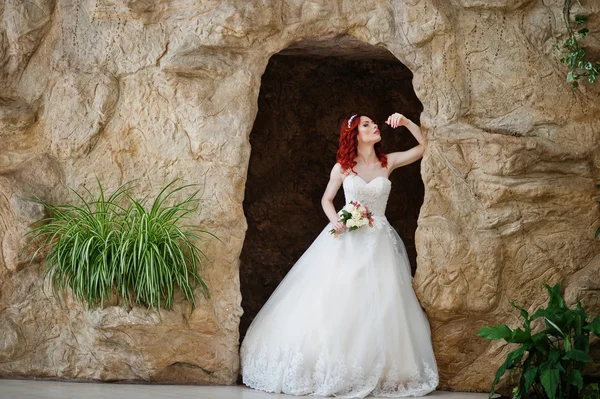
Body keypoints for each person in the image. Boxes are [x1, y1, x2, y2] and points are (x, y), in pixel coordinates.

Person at [239, 112, 439, 398]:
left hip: (380, 240)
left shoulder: (387, 162)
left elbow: (423, 148)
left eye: (373, 123)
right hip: (348, 238)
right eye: (366, 125)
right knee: (338, 298)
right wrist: (335, 220)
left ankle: (385, 368)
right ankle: (333, 364)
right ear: (354, 135)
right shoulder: (344, 168)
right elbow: (327, 199)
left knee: (385, 302)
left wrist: (406, 123)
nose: (374, 127)